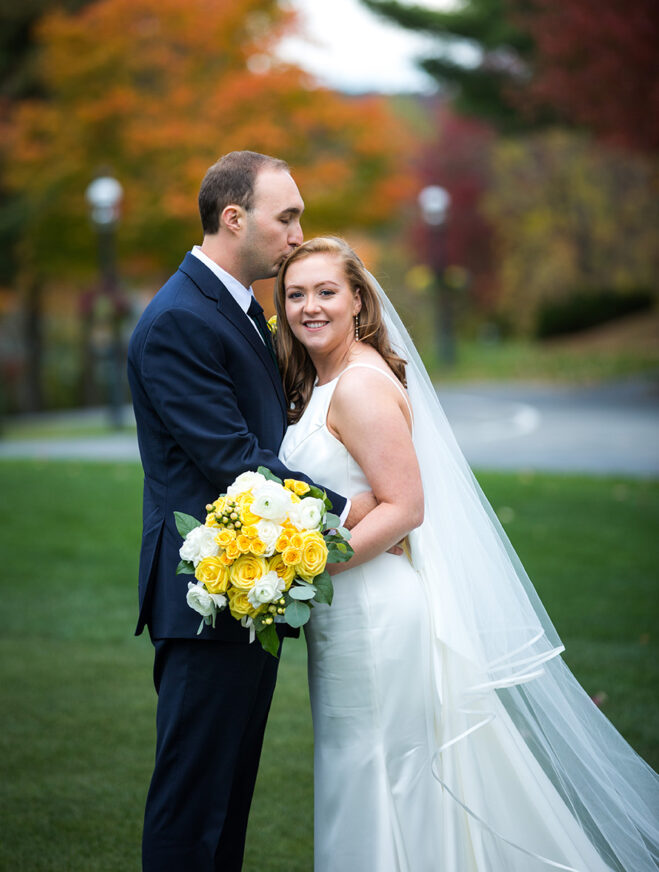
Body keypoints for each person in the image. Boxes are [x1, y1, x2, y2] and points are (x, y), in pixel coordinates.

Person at [276, 235, 659, 872]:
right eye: (295, 294)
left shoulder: (360, 387)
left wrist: (306, 567)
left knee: (379, 772)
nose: (309, 307)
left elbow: (406, 507)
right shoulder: (327, 380)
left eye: (325, 292)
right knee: (360, 766)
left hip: (374, 617)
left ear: (358, 301)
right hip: (345, 616)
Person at [127, 154, 374, 872]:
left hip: (249, 592)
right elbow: (235, 461)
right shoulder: (178, 320)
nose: (298, 232)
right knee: (192, 805)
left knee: (225, 804)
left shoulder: (234, 307)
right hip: (206, 599)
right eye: (286, 216)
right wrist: (354, 509)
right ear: (233, 219)